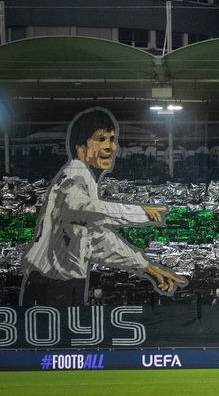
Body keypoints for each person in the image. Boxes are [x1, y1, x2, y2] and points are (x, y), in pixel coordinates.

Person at [20, 107, 187, 307]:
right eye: (101, 139)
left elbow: (97, 240)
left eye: (112, 138)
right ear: (80, 146)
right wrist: (142, 213)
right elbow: (89, 210)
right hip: (49, 288)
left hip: (62, 286)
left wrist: (148, 268)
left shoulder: (85, 179)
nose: (111, 146)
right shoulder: (73, 178)